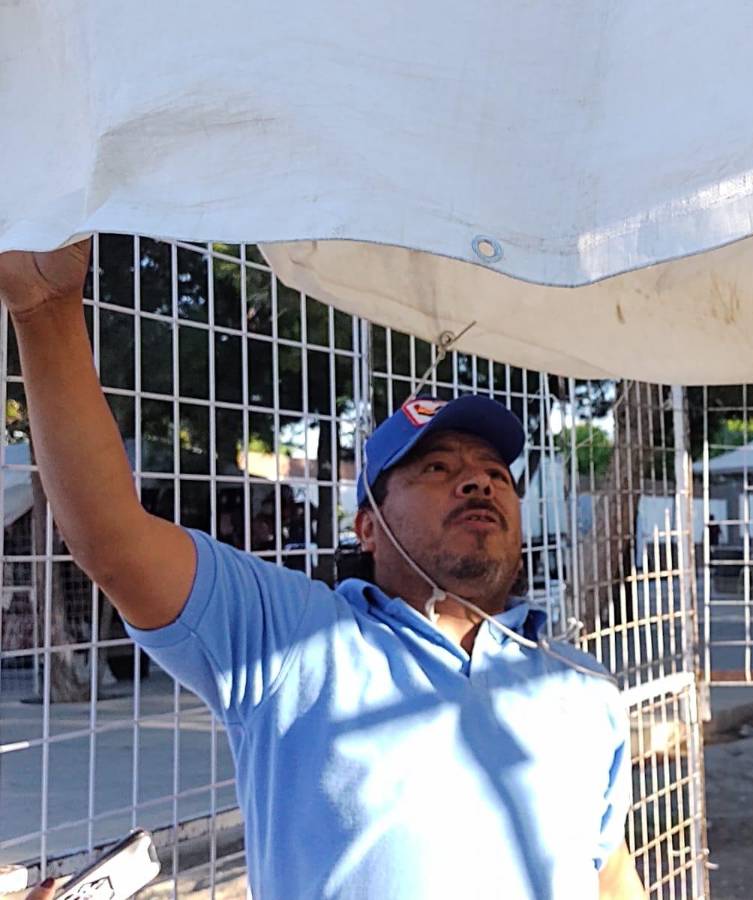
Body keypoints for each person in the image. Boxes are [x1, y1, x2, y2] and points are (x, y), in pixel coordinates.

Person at [2, 242, 645, 900]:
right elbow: (113, 539)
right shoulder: (294, 638)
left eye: (495, 475)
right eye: (437, 468)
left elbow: (610, 872)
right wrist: (45, 310)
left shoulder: (582, 685)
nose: (478, 483)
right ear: (368, 526)